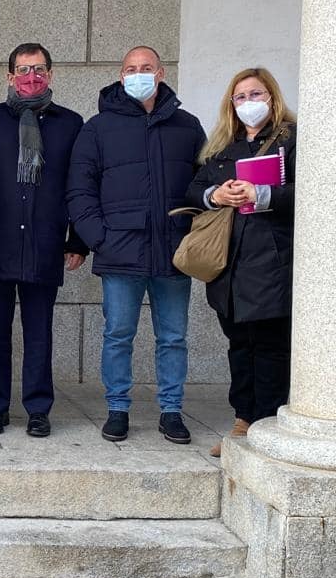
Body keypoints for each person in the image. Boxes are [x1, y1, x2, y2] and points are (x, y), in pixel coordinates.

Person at [67, 46, 204, 445]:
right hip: (120, 250)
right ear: (120, 75)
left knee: (174, 336)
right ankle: (117, 408)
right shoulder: (98, 128)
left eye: (146, 68)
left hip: (174, 250)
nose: (139, 74)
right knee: (118, 334)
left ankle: (172, 411)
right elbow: (79, 190)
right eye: (131, 69)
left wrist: (194, 234)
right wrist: (99, 239)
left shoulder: (187, 125)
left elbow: (203, 183)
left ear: (160, 73)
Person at [0, 43, 87, 439]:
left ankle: (38, 408)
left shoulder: (71, 124)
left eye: (38, 69)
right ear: (9, 77)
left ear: (50, 75)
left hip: (45, 241)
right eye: (22, 69)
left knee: (39, 332)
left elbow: (81, 186)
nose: (30, 77)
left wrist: (78, 241)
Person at [186, 68, 296, 457]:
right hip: (229, 264)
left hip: (272, 262)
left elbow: (311, 190)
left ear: (272, 97)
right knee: (239, 344)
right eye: (240, 97)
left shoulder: (291, 140)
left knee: (269, 347)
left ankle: (266, 424)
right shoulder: (222, 147)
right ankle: (242, 420)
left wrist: (263, 193)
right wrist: (219, 193)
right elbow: (195, 190)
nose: (248, 103)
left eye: (256, 94)